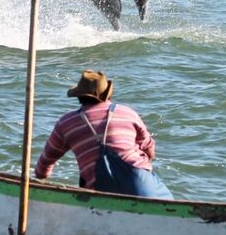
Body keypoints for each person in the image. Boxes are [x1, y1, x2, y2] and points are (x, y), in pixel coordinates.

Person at [35, 70, 173, 199]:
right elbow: (149, 148)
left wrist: (40, 178)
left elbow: (46, 160)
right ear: (107, 94)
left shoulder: (66, 123)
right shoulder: (128, 113)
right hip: (144, 186)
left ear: (79, 97)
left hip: (101, 192)